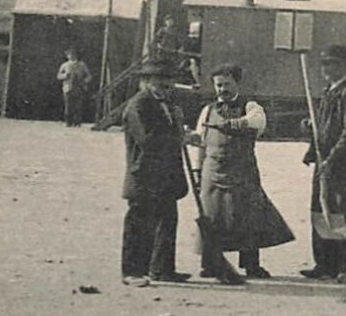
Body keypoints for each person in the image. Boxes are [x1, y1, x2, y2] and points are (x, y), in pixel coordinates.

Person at [190, 63, 295, 283]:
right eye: (219, 85)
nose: (222, 89)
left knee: (248, 216)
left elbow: (258, 122)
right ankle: (210, 264)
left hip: (242, 170)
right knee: (212, 216)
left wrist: (236, 123)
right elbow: (201, 142)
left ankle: (251, 265)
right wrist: (198, 170)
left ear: (237, 83)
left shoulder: (251, 106)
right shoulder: (207, 110)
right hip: (212, 170)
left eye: (227, 84)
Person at [119, 58, 191, 286]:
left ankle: (162, 269)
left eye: (168, 80)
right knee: (139, 224)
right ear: (146, 81)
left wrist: (181, 130)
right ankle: (132, 271)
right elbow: (148, 140)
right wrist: (181, 139)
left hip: (165, 176)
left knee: (167, 222)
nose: (166, 85)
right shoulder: (138, 105)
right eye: (160, 80)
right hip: (144, 175)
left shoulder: (167, 104)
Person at [301, 44, 346, 280]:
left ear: (343, 66)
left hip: (342, 164)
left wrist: (333, 157)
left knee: (342, 213)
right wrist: (310, 126)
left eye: (331, 64)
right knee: (320, 209)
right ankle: (324, 264)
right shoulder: (330, 90)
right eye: (324, 64)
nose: (326, 69)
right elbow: (324, 125)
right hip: (323, 161)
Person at [56, 48, 93, 127]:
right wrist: (65, 76)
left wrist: (84, 81)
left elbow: (89, 75)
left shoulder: (81, 65)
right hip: (68, 87)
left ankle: (77, 122)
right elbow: (58, 76)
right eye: (69, 54)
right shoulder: (64, 65)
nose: (71, 56)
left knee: (78, 105)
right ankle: (68, 122)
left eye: (73, 54)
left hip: (78, 87)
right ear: (67, 56)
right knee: (68, 105)